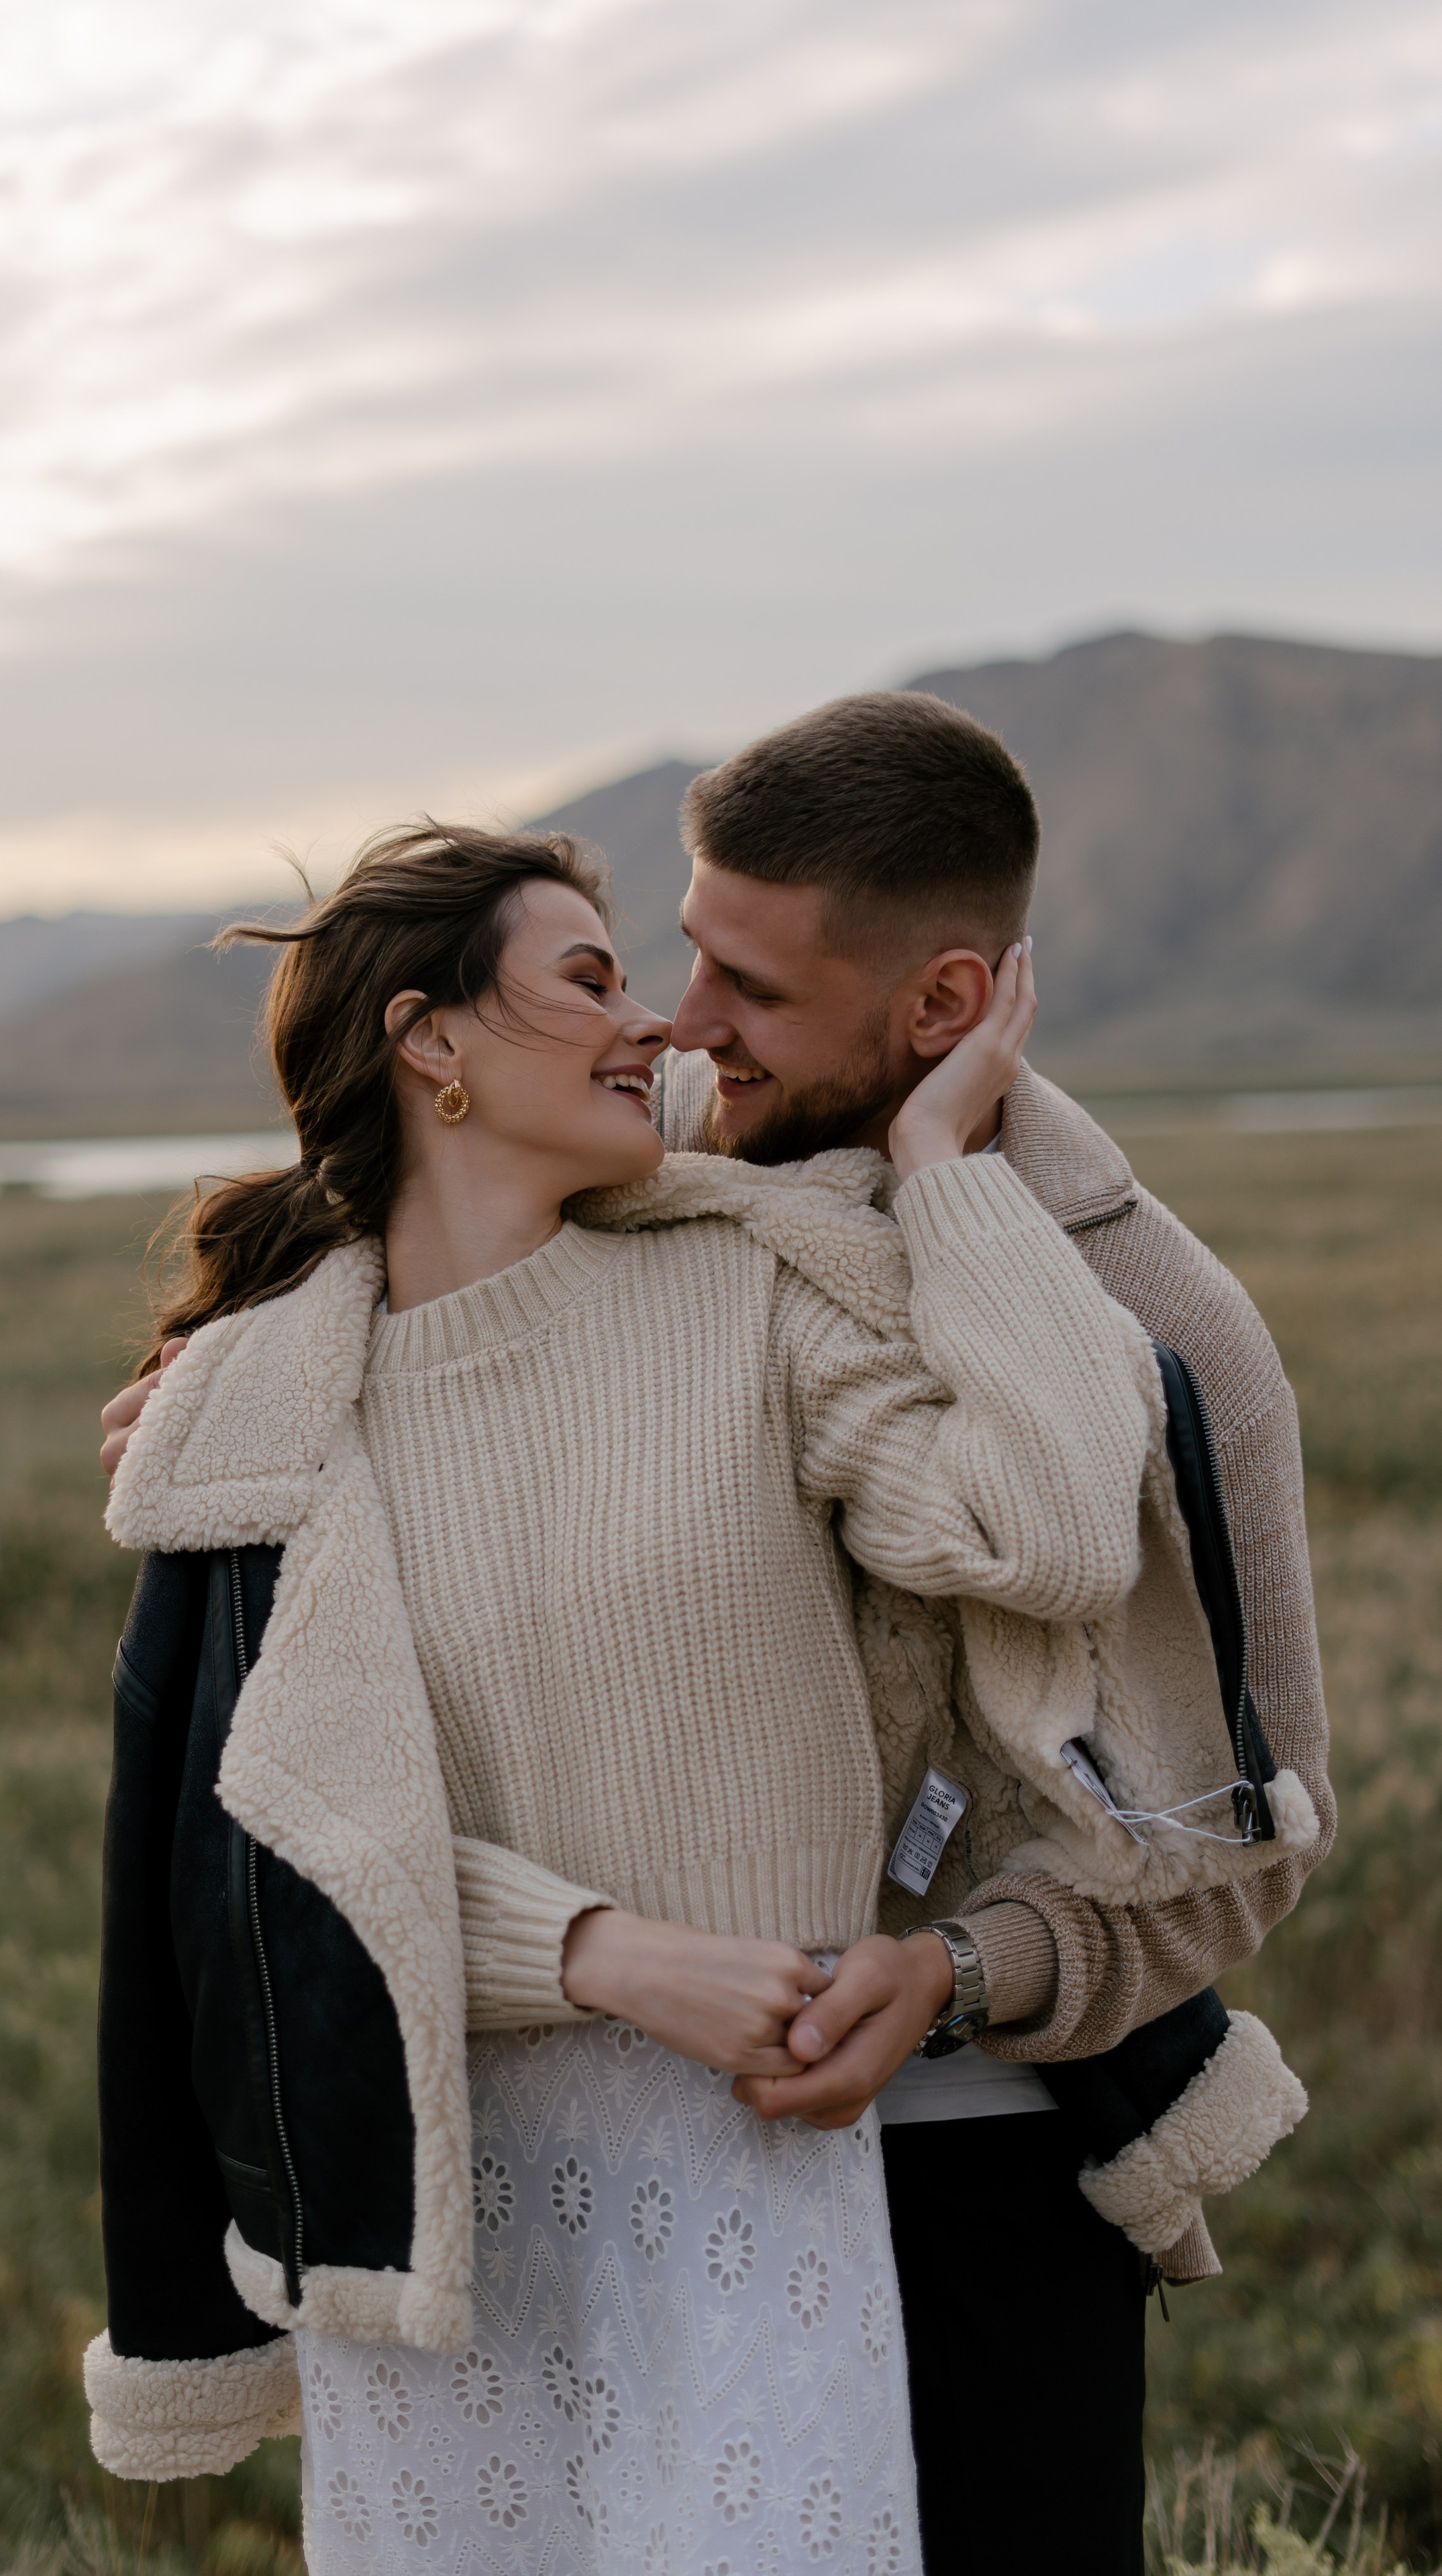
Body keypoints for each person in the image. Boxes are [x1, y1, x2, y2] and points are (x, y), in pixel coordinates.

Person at [101, 697, 1332, 2575]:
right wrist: (238, 1387)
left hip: (985, 2140)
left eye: (738, 982)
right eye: (654, 959)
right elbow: (278, 1821)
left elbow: (1233, 1836)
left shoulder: (1160, 1330)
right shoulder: (662, 1183)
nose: (681, 1021)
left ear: (936, 1011)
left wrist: (962, 1976)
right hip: (525, 2161)